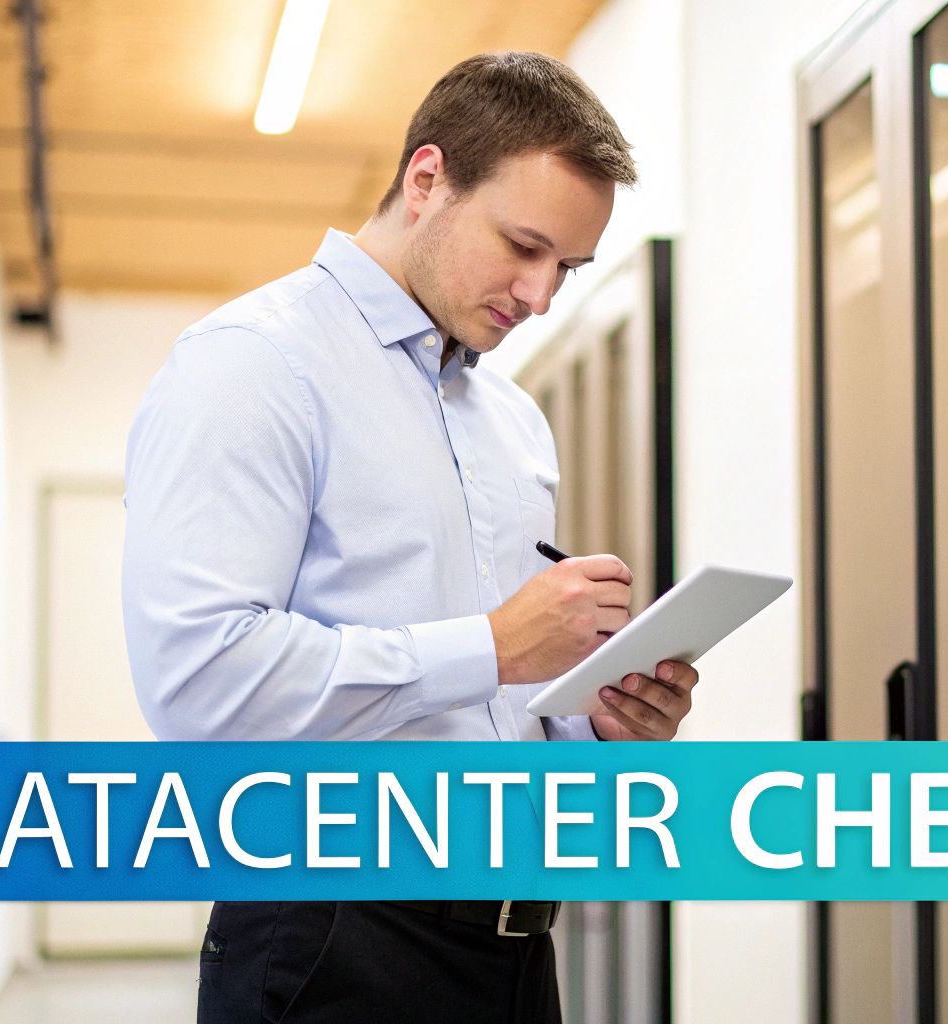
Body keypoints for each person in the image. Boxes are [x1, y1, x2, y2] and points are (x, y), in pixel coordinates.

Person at [121, 50, 697, 1024]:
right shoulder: (255, 365)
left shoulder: (512, 421)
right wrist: (494, 642)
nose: (541, 294)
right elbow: (198, 683)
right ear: (425, 179)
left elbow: (488, 705)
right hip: (334, 940)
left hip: (513, 942)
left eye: (568, 265)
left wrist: (590, 720)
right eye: (522, 245)